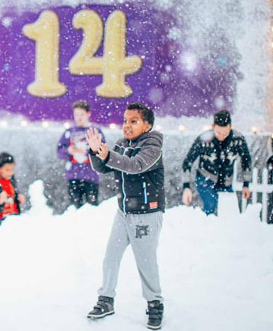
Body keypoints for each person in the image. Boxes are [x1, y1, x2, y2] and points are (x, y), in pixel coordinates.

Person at [85, 103, 165, 330]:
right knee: (111, 256)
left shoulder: (153, 145)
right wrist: (95, 151)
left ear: (147, 125)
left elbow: (135, 165)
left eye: (134, 121)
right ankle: (106, 299)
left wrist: (107, 154)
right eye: (125, 121)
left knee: (145, 261)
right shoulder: (122, 144)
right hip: (124, 212)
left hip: (147, 213)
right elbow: (104, 167)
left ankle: (155, 303)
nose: (127, 126)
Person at [181, 110, 251, 216]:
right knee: (211, 206)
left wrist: (246, 184)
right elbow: (188, 162)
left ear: (230, 127)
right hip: (205, 178)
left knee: (229, 211)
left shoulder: (238, 140)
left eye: (225, 133)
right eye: (218, 132)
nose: (222, 136)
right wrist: (186, 187)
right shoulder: (204, 139)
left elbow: (246, 161)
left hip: (226, 182)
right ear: (213, 126)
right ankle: (208, 229)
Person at [57, 100, 105, 209]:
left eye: (81, 114)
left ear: (88, 114)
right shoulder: (69, 132)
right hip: (73, 175)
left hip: (91, 176)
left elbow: (103, 151)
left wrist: (90, 151)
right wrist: (69, 150)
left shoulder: (95, 131)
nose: (79, 117)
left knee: (91, 208)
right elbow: (59, 151)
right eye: (76, 114)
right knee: (74, 208)